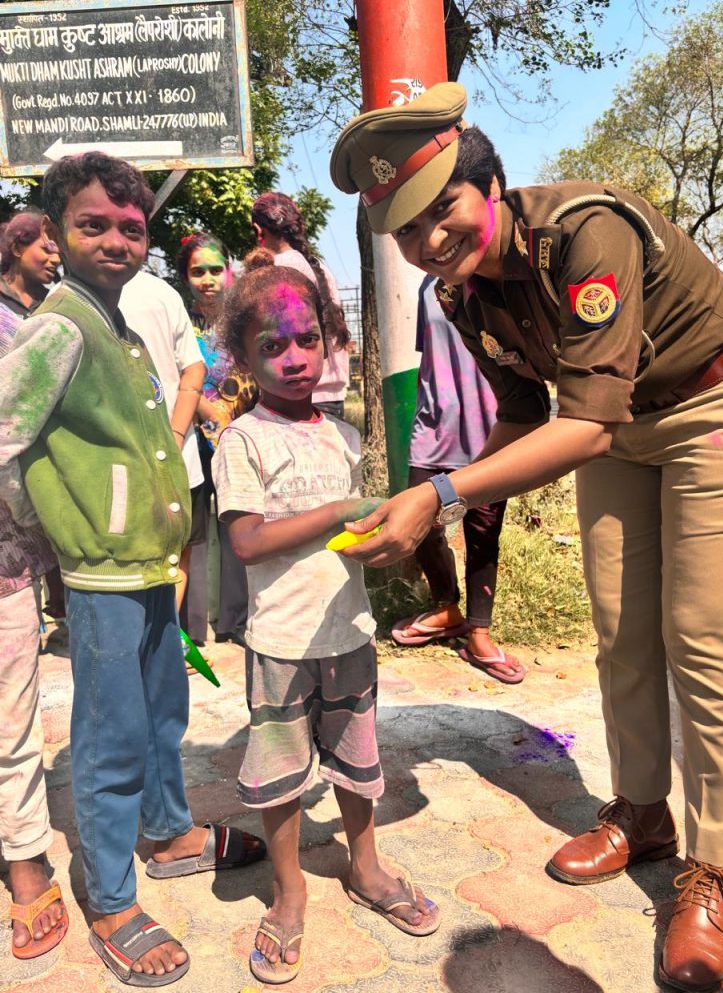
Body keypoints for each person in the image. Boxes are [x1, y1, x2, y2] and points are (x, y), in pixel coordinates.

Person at [330, 82, 723, 992]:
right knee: (621, 631)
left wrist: (441, 492)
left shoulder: (584, 233)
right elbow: (528, 418)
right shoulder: (462, 297)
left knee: (702, 637)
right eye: (406, 230)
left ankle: (716, 868)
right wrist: (430, 501)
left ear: (488, 185)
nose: (430, 240)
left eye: (442, 209)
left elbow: (586, 425)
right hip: (618, 430)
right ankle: (644, 813)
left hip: (714, 408)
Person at [0, 153, 265, 986]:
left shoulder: (117, 325)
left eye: (131, 227)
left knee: (161, 714)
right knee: (111, 737)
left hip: (149, 568)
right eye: (93, 226)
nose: (117, 241)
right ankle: (113, 898)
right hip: (103, 576)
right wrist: (39, 517)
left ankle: (170, 832)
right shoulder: (59, 329)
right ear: (55, 233)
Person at [212, 249, 440, 984]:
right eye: (272, 345)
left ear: (330, 341)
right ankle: (289, 892)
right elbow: (247, 542)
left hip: (349, 633)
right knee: (281, 773)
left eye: (307, 339)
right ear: (243, 357)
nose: (294, 358)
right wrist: (341, 510)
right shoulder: (243, 440)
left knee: (357, 761)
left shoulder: (343, 436)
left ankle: (365, 867)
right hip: (280, 641)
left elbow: (350, 535)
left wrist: (383, 541)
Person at [390, 275, 525, 683]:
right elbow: (432, 354)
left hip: (490, 421)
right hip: (434, 424)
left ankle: (479, 632)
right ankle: (446, 606)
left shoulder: (500, 277)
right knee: (419, 521)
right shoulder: (426, 287)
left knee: (483, 530)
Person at [0, 211, 68, 961]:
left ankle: (25, 859)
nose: (53, 254)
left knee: (11, 714)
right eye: (44, 242)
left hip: (6, 558)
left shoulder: (36, 328)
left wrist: (42, 530)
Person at [120, 270, 208, 648]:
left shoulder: (65, 295)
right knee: (175, 553)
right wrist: (176, 435)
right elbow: (194, 368)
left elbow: (193, 368)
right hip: (176, 456)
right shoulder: (162, 292)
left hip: (129, 461)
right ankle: (166, 642)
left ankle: (154, 643)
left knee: (150, 554)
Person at [177, 233, 253, 645]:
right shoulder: (177, 322)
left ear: (229, 270)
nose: (207, 279)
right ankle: (190, 630)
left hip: (238, 437)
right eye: (197, 271)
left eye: (215, 269)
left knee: (235, 524)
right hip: (189, 438)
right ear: (185, 276)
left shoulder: (243, 319)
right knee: (193, 532)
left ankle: (234, 622)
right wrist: (207, 413)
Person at [0, 211, 66, 621]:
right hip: (9, 477)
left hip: (51, 463)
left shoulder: (53, 308)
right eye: (46, 247)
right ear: (16, 247)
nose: (56, 258)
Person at [250, 192, 351, 418]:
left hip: (295, 399)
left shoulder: (274, 272)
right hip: (332, 397)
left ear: (258, 230)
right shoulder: (320, 268)